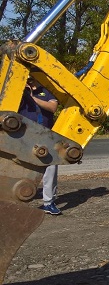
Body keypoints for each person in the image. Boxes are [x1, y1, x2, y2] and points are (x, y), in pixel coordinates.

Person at [18, 77, 60, 215]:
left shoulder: (47, 91)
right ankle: (20, 197)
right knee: (23, 166)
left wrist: (33, 97)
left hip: (46, 134)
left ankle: (49, 202)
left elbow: (53, 107)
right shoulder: (18, 91)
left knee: (51, 167)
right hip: (25, 134)